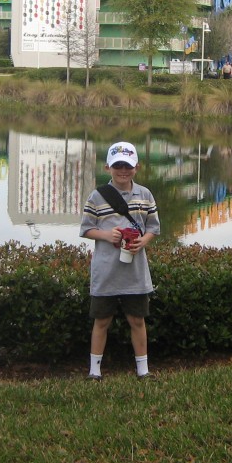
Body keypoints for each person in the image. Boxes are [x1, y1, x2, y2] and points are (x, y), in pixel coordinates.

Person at [80, 141, 160, 380]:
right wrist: (106, 235)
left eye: (128, 166)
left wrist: (142, 242)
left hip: (135, 271)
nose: (123, 171)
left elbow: (153, 228)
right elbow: (86, 229)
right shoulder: (96, 197)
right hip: (106, 271)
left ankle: (143, 370)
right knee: (101, 320)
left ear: (137, 167)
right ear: (107, 167)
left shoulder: (145, 195)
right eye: (118, 166)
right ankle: (94, 371)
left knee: (137, 320)